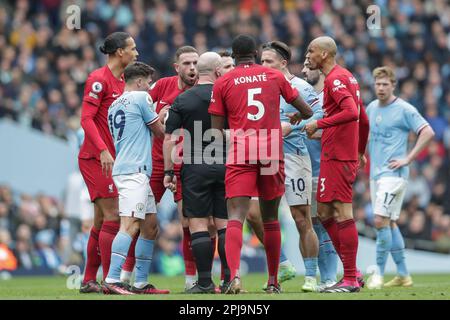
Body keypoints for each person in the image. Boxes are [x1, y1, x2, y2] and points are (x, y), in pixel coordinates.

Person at [209, 34, 313, 294]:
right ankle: (273, 281)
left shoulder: (223, 82)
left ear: (233, 56)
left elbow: (216, 131)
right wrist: (299, 115)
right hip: (271, 153)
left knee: (236, 216)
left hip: (241, 153)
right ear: (255, 54)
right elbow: (308, 110)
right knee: (270, 218)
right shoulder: (275, 76)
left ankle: (233, 276)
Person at [291, 36, 370, 293]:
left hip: (337, 156)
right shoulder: (346, 77)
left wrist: (319, 125)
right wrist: (359, 150)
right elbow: (364, 118)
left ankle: (349, 278)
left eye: (311, 50)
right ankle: (353, 271)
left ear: (324, 54)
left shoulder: (335, 80)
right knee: (324, 213)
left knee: (342, 213)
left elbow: (352, 113)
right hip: (337, 153)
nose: (308, 55)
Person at [163, 52, 229, 294]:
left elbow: (169, 139)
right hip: (225, 165)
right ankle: (230, 279)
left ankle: (203, 283)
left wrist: (169, 171)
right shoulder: (227, 95)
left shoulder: (183, 100)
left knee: (198, 225)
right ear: (217, 71)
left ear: (198, 71)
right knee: (224, 225)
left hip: (194, 167)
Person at [78, 32, 138, 293]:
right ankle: (109, 281)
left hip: (114, 160)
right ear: (119, 52)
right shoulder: (98, 80)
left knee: (102, 222)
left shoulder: (123, 80)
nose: (136, 53)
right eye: (132, 49)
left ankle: (88, 280)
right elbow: (86, 119)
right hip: (96, 159)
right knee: (113, 215)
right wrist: (103, 150)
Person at [365, 66, 434, 289]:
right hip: (376, 175)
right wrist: (360, 155)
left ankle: (378, 273)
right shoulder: (372, 107)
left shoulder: (404, 109)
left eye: (385, 84)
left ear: (393, 85)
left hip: (394, 174)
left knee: (378, 220)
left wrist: (408, 158)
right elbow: (366, 136)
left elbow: (427, 131)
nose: (381, 88)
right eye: (378, 84)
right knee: (389, 223)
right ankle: (404, 274)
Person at [103, 62, 169, 295]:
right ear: (139, 81)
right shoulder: (141, 97)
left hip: (132, 169)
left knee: (150, 226)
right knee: (129, 224)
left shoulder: (114, 105)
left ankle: (140, 283)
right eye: (149, 81)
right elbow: (159, 131)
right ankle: (112, 279)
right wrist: (164, 118)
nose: (150, 86)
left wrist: (155, 117)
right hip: (133, 172)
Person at [261, 41, 320, 292]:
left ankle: (311, 277)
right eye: (261, 61)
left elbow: (321, 116)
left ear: (283, 63)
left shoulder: (302, 88)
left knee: (301, 218)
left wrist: (293, 127)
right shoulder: (260, 86)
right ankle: (275, 276)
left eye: (268, 62)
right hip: (265, 159)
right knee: (266, 219)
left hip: (294, 157)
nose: (263, 66)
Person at [148, 46, 200, 291]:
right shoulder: (161, 86)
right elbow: (143, 115)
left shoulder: (203, 90)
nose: (192, 68)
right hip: (158, 162)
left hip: (189, 163)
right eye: (187, 63)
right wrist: (157, 116)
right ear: (176, 67)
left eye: (195, 63)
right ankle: (130, 278)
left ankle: (191, 281)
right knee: (141, 220)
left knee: (189, 222)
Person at [301, 62, 338, 290]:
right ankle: (330, 278)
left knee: (327, 222)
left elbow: (342, 129)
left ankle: (330, 278)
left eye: (308, 65)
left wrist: (317, 130)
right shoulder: (300, 97)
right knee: (315, 224)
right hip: (306, 170)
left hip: (325, 169)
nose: (304, 70)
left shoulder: (330, 97)